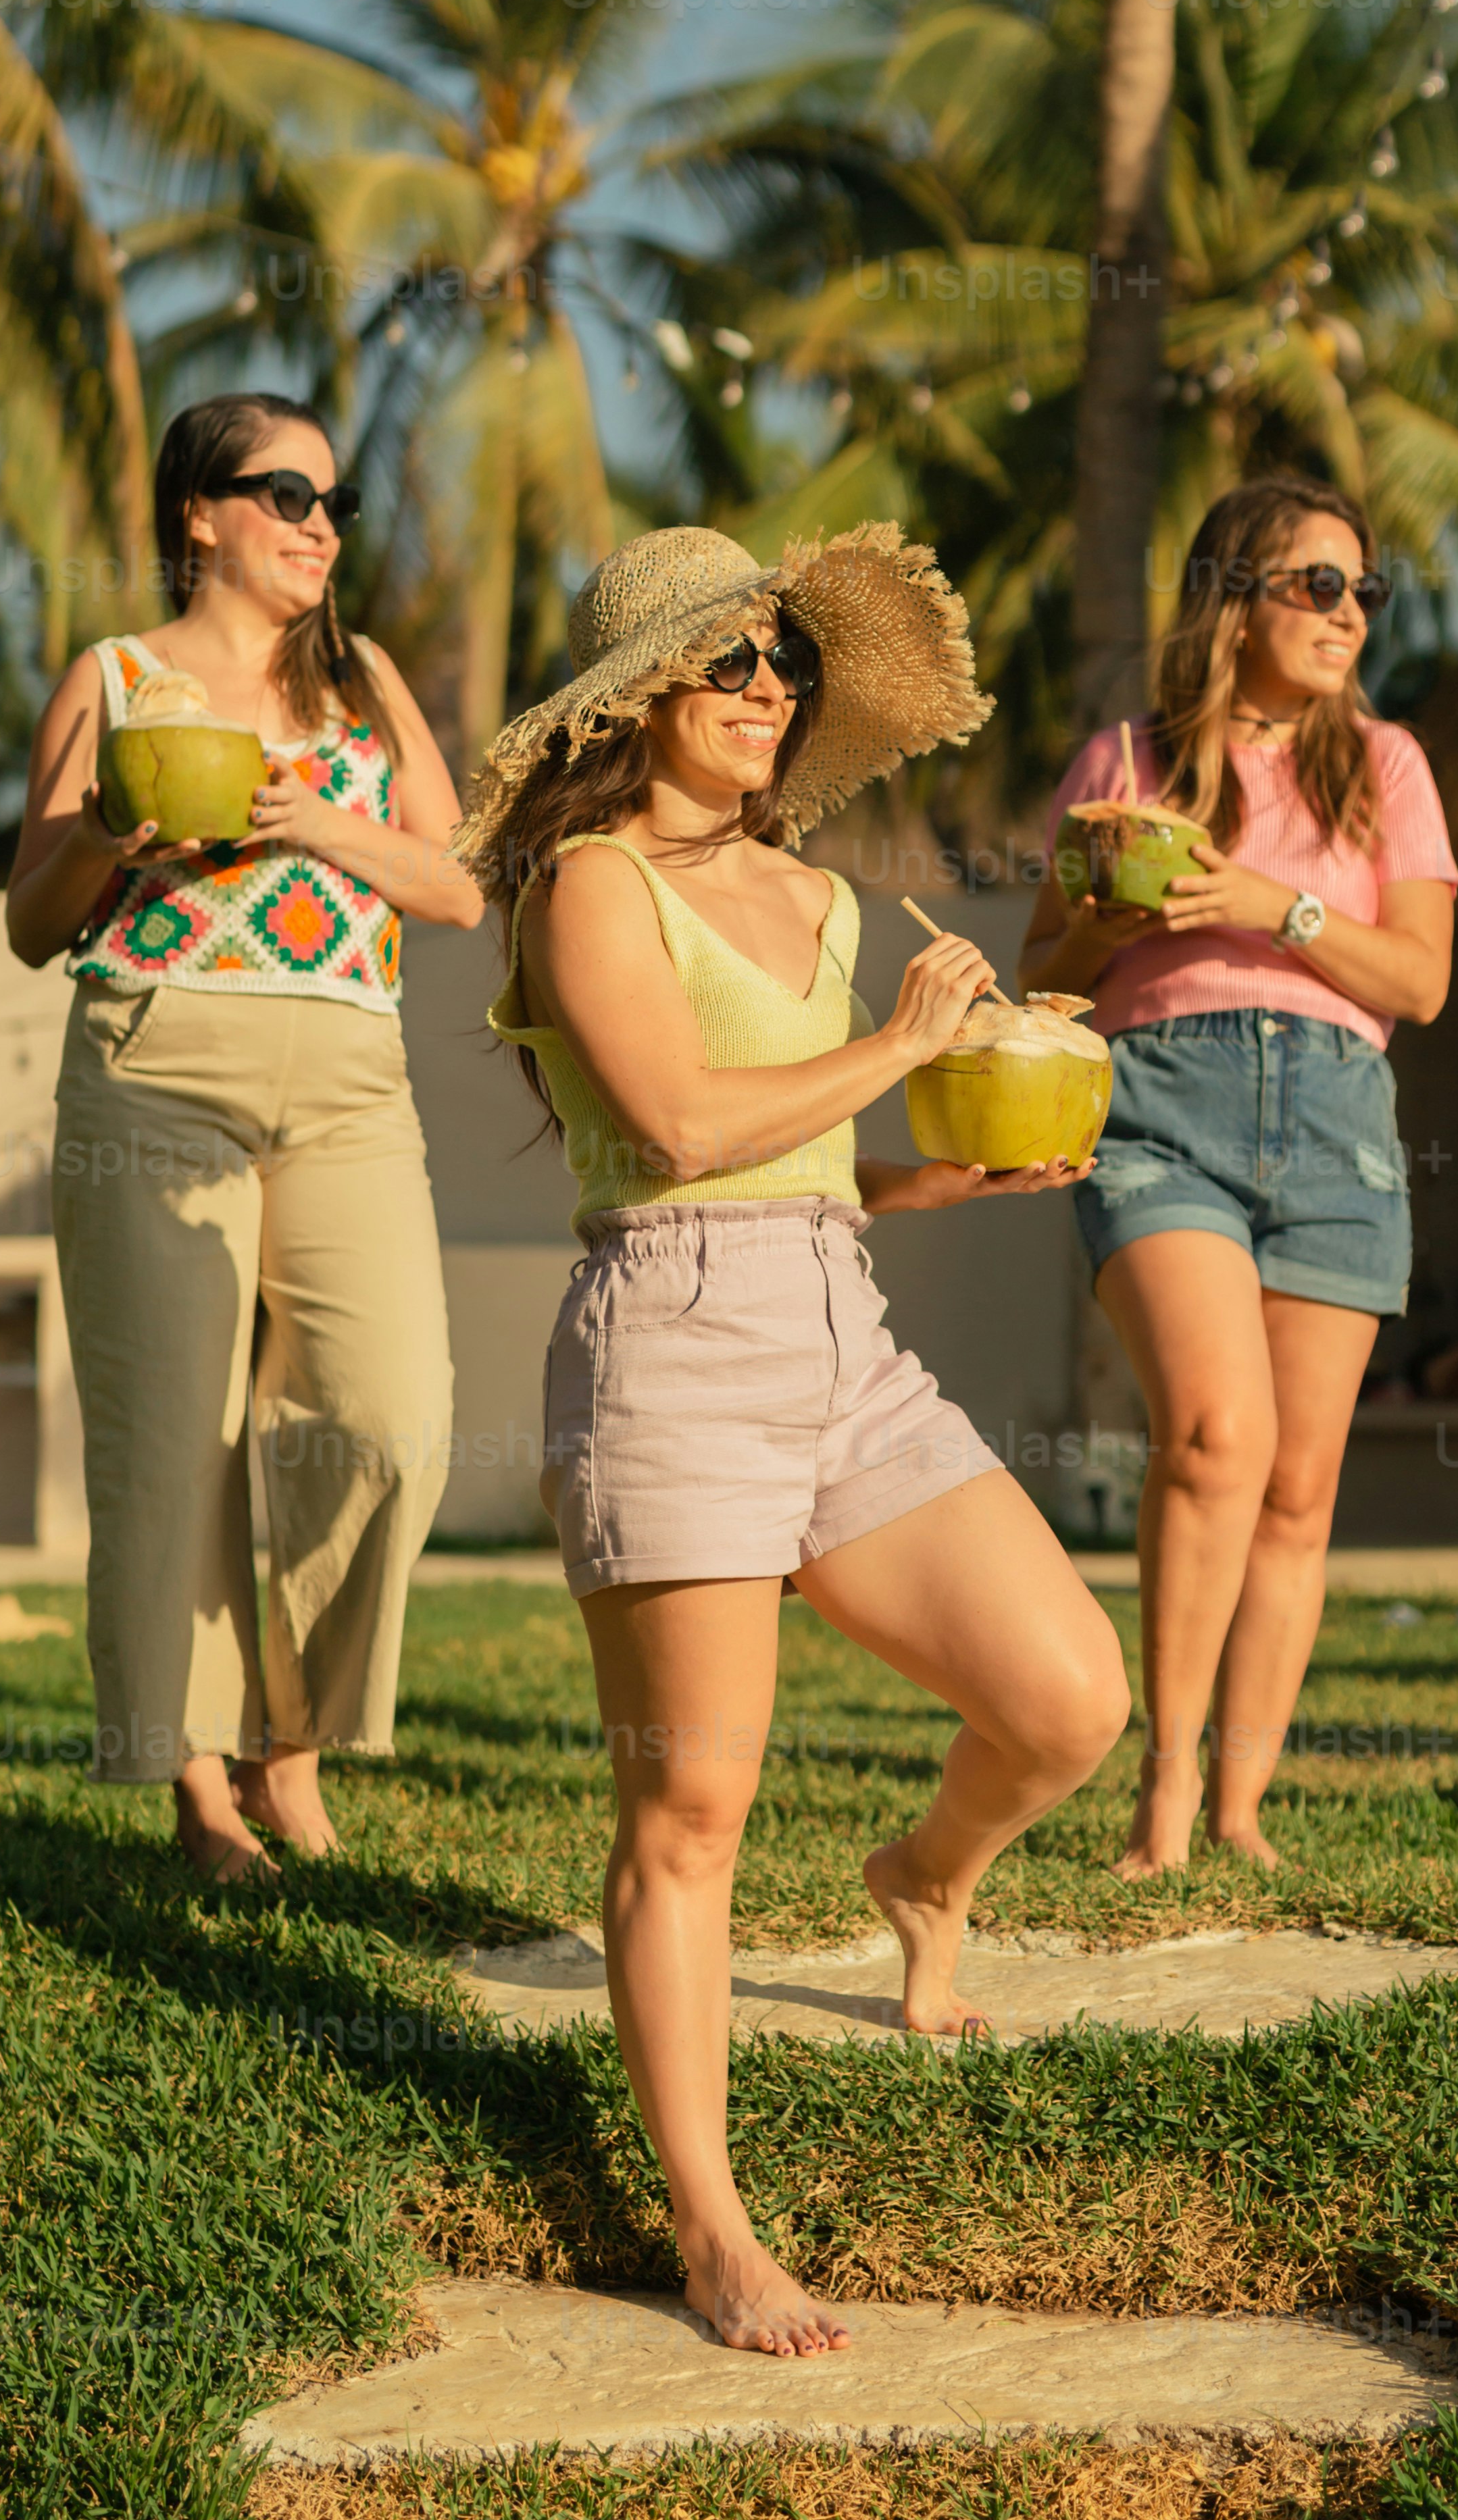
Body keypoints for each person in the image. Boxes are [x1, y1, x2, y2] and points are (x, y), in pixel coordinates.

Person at [463, 521, 1130, 2357]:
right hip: (670, 1346)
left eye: (784, 666)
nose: (769, 691)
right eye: (732, 663)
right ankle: (711, 2231)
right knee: (689, 1812)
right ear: (637, 700)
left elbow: (797, 1154)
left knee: (1072, 1696)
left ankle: (923, 1877)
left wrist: (950, 1170)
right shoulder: (591, 886)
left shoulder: (822, 900)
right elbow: (678, 1128)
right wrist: (911, 1045)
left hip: (840, 1332)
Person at [6, 392, 482, 1886]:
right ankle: (204, 1787)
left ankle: (295, 1734)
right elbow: (31, 920)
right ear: (198, 516)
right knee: (174, 1444)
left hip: (348, 1074)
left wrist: (310, 823)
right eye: (285, 495)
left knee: (390, 1414)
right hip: (155, 1057)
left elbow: (456, 888)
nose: (320, 527)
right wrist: (108, 837)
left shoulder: (368, 678)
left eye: (334, 503)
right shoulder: (117, 675)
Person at [1022, 478, 1457, 1876]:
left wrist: (1277, 907)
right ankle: (1163, 1792)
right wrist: (1108, 922)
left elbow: (1423, 981)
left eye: (1362, 591)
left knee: (1299, 1487)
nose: (1348, 615)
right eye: (1316, 586)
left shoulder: (1384, 767)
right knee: (1214, 1438)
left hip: (1336, 1117)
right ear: (1233, 599)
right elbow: (1044, 975)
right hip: (1161, 1105)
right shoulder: (1127, 763)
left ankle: (1241, 1809)